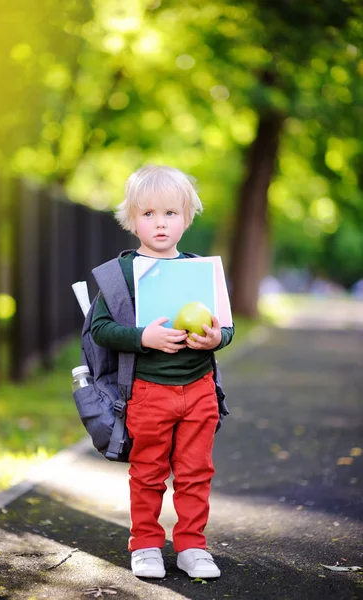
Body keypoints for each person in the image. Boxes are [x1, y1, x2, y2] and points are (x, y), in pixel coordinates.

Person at [91, 165, 235, 579]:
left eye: (171, 213)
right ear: (131, 218)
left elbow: (226, 326)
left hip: (200, 389)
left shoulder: (200, 270)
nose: (159, 223)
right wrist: (143, 338)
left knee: (195, 473)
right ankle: (147, 544)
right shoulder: (121, 273)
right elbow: (100, 329)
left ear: (187, 218)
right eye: (148, 213)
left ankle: (192, 546)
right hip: (148, 392)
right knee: (149, 472)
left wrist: (214, 340)